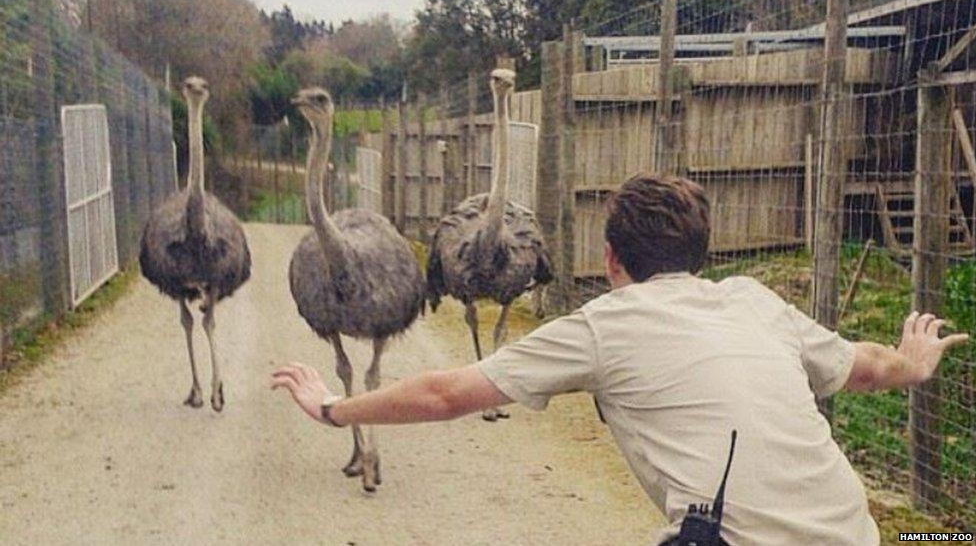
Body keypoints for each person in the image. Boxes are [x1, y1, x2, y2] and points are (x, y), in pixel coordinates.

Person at [271, 173, 968, 545]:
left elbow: (444, 393)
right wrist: (913, 362)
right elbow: (869, 366)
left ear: (609, 260)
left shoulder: (605, 324)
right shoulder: (753, 300)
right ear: (703, 254)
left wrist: (334, 409)